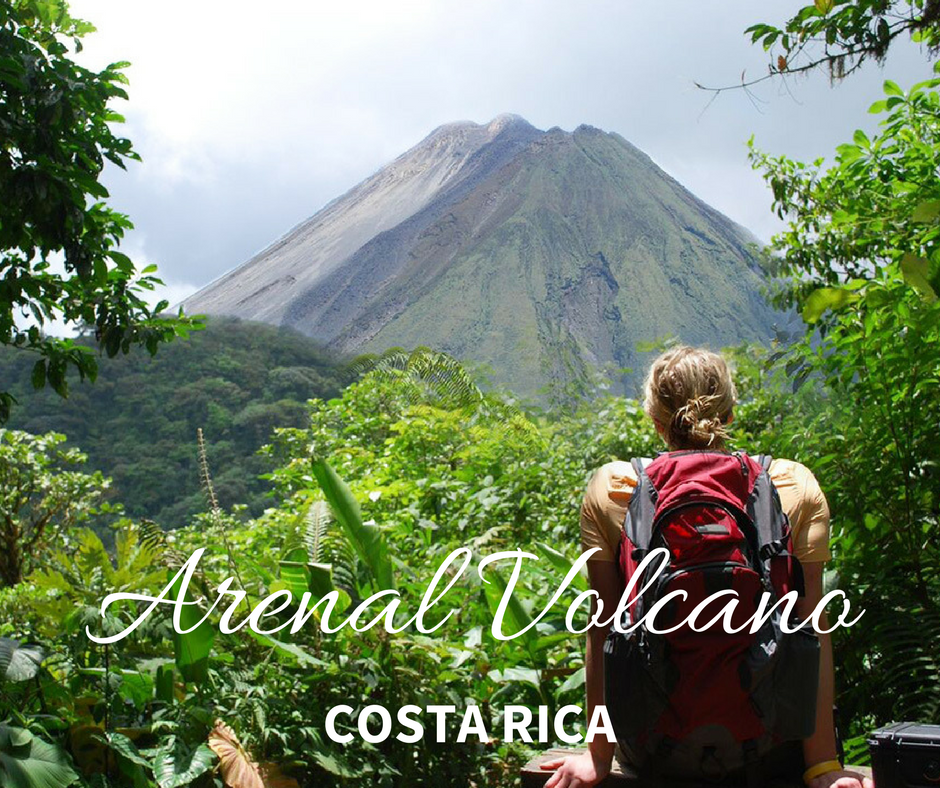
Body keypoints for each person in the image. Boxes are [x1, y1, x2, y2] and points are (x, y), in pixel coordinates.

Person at [542, 346, 874, 788]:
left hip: (654, 751)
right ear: (730, 414)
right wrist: (823, 765)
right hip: (769, 745)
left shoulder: (615, 489)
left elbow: (603, 627)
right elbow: (811, 628)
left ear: (656, 421)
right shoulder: (791, 487)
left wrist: (598, 755)